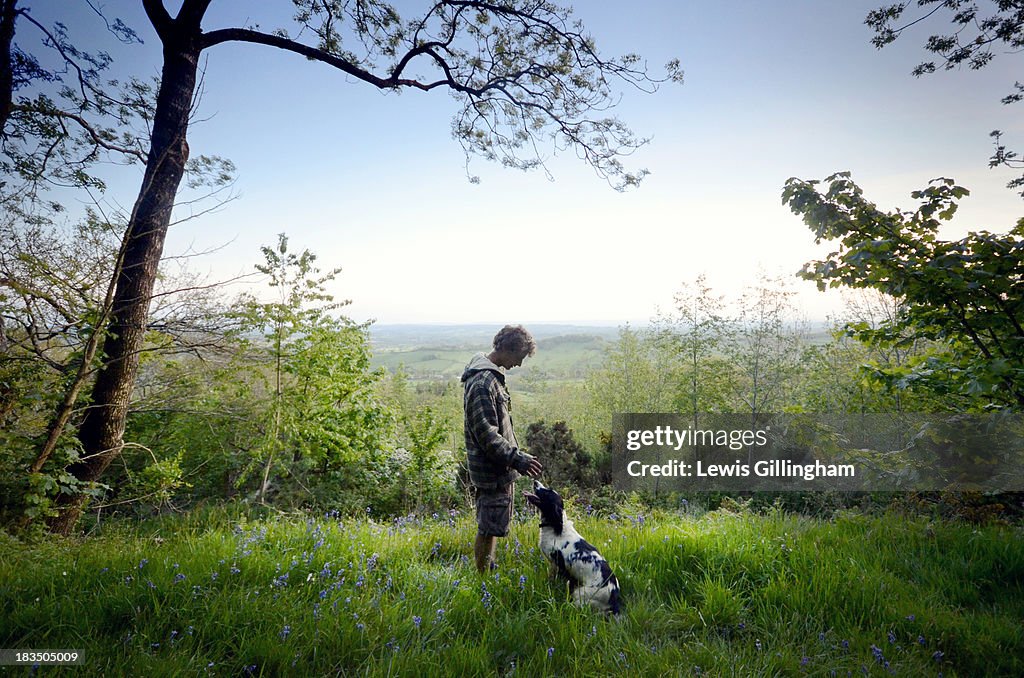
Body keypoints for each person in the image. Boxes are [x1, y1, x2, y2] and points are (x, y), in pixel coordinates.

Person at [461, 324, 544, 572]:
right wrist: (518, 459)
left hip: (498, 469)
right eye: (519, 358)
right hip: (491, 471)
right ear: (508, 349)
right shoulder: (482, 384)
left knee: (493, 524)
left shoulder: (490, 378)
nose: (518, 364)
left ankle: (487, 570)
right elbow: (488, 436)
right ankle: (482, 578)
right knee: (488, 528)